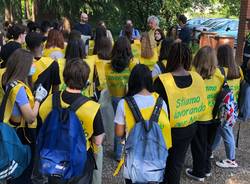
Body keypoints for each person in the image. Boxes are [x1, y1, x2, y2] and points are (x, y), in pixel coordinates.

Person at [39, 59, 105, 184]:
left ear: (64, 78)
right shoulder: (92, 106)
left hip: (54, 156)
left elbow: (43, 123)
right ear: (86, 81)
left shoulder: (50, 100)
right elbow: (98, 140)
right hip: (80, 158)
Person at [154, 42, 208, 184]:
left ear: (170, 57)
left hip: (166, 131)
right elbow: (202, 104)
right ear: (188, 58)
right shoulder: (197, 77)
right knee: (176, 163)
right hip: (189, 127)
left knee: (159, 163)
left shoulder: (161, 81)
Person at [114, 64, 172, 184]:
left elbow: (119, 132)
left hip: (133, 161)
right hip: (155, 160)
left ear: (132, 81)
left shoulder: (124, 103)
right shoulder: (161, 102)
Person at [1, 48, 47, 184]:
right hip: (21, 134)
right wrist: (38, 99)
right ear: (23, 66)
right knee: (23, 168)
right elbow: (30, 117)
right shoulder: (19, 89)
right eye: (32, 63)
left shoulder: (8, 80)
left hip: (10, 129)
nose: (34, 65)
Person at [185, 46, 224, 182]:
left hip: (199, 117)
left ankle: (198, 172)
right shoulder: (220, 73)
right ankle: (206, 168)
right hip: (215, 116)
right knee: (208, 145)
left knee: (198, 147)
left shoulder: (192, 73)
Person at [212, 44, 243, 168]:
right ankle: (210, 150)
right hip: (233, 106)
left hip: (223, 107)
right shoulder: (238, 70)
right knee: (220, 130)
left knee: (226, 131)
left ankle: (231, 159)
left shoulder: (220, 71)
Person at [105, 36, 136, 161]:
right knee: (128, 124)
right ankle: (125, 152)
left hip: (113, 97)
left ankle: (117, 153)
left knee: (117, 124)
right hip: (128, 98)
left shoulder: (108, 65)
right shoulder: (132, 64)